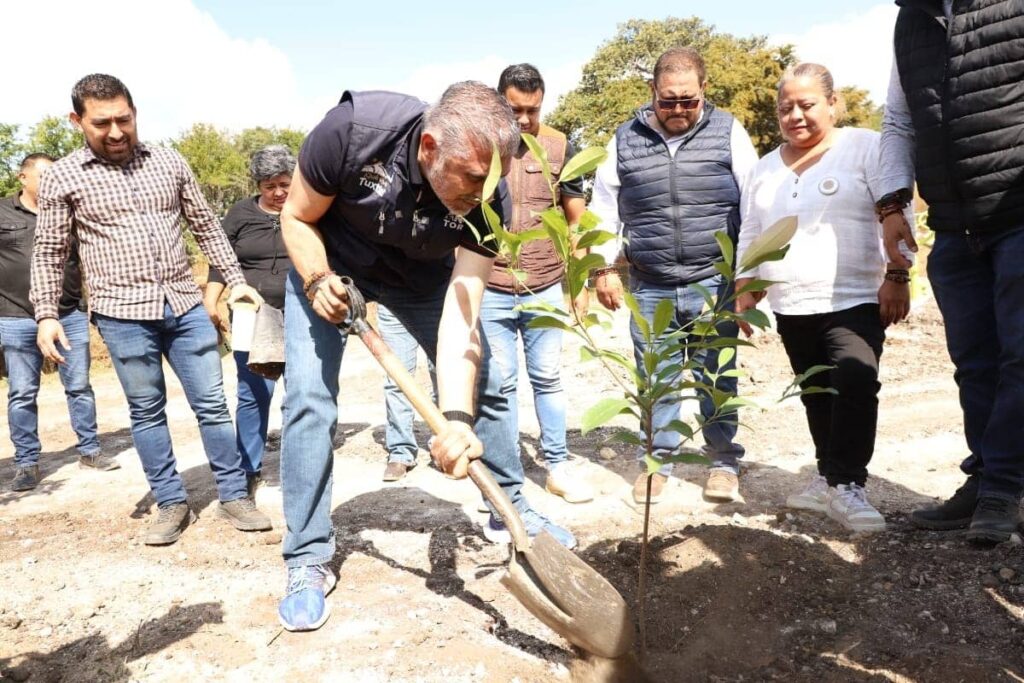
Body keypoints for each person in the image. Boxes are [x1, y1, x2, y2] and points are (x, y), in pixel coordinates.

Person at [277, 81, 577, 632]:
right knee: (309, 402)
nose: (481, 197)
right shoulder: (352, 133)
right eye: (469, 180)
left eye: (490, 184)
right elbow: (296, 217)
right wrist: (319, 279)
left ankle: (508, 509)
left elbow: (464, 312)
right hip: (328, 265)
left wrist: (457, 420)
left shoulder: (490, 197)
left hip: (423, 277)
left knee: (485, 384)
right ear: (429, 146)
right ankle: (307, 555)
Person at [31, 73, 272, 546]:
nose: (117, 132)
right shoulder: (63, 175)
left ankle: (232, 493)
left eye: (124, 119)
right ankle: (170, 501)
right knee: (146, 411)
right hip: (121, 315)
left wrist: (237, 283)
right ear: (77, 120)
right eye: (102, 123)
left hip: (184, 305)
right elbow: (49, 250)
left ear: (135, 112)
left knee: (213, 406)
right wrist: (45, 313)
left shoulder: (167, 160)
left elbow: (206, 226)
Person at [736, 63, 911, 533]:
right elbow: (751, 231)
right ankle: (826, 475)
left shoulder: (866, 147)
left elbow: (898, 212)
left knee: (855, 384)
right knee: (815, 392)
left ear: (833, 104)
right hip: (791, 302)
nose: (795, 115)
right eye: (785, 107)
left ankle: (849, 483)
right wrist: (745, 286)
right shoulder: (763, 169)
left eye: (807, 104)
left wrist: (898, 274)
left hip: (855, 297)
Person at [879, 2, 1024, 543]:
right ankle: (987, 476)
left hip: (1017, 216)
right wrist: (893, 204)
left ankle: (1003, 487)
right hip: (955, 224)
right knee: (975, 362)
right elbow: (898, 120)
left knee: (1020, 356)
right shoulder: (910, 19)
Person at [589, 47, 758, 505]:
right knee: (655, 377)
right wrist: (602, 267)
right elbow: (603, 210)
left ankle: (723, 461)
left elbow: (754, 204)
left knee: (716, 376)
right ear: (652, 93)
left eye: (688, 100)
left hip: (713, 282)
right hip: (650, 283)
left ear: (704, 90)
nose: (679, 109)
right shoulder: (624, 139)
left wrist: (749, 275)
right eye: (669, 101)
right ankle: (657, 461)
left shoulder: (729, 132)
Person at [479, 63, 594, 504]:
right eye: (514, 110)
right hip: (491, 285)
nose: (524, 120)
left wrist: (578, 284)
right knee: (500, 385)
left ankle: (558, 466)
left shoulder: (562, 146)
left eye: (532, 109)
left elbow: (576, 221)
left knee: (548, 377)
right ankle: (505, 479)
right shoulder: (481, 145)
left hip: (544, 283)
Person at [0, 154, 117, 491]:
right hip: (16, 316)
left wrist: (85, 304)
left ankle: (90, 450)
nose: (50, 183)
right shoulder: (3, 213)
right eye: (43, 177)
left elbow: (89, 259)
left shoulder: (71, 214)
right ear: (23, 177)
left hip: (68, 315)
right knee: (22, 392)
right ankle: (26, 463)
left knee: (79, 386)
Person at [204, 144, 295, 497]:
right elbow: (219, 258)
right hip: (251, 314)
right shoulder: (239, 213)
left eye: (285, 183)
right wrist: (211, 299)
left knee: (302, 393)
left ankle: (298, 463)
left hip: (303, 312)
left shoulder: (307, 209)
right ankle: (249, 468)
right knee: (254, 391)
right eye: (269, 185)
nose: (277, 192)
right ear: (258, 184)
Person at [378, 303, 437, 482]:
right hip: (391, 304)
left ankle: (444, 446)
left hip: (435, 297)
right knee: (397, 380)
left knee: (443, 376)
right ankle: (400, 451)